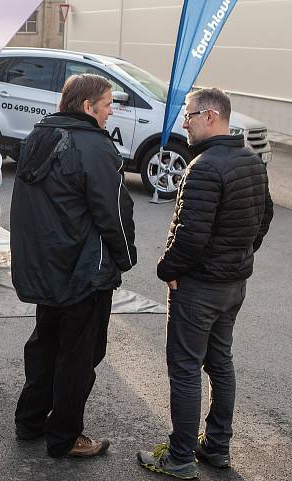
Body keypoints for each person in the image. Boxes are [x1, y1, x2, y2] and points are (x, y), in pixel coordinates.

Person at [137, 87, 273, 479]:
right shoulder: (251, 161)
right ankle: (217, 447)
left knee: (184, 368)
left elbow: (190, 235)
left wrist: (168, 269)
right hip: (233, 284)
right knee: (220, 362)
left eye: (190, 115)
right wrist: (239, 256)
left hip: (200, 287)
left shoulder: (205, 168)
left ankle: (180, 458)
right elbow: (264, 218)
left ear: (210, 116)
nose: (185, 122)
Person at [10, 74, 137, 458]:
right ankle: (65, 437)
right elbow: (114, 211)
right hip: (83, 272)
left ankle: (29, 422)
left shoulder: (37, 137)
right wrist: (125, 256)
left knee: (45, 344)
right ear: (88, 107)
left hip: (46, 268)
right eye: (108, 104)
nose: (111, 112)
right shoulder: (94, 146)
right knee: (78, 357)